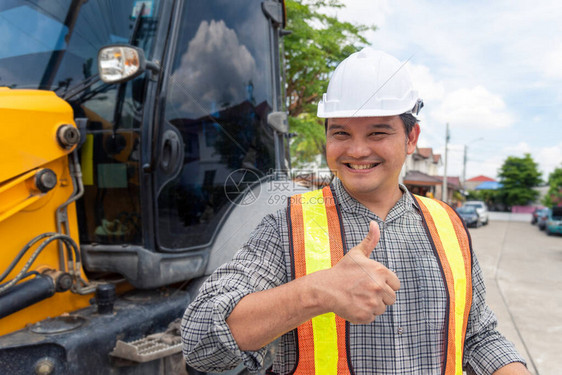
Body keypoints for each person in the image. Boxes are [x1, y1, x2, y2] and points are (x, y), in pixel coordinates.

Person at [181, 48, 529, 374]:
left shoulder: (449, 225)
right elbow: (199, 341)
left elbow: (478, 336)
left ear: (411, 138)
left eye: (378, 132)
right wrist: (315, 292)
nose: (357, 150)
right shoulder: (287, 226)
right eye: (341, 133)